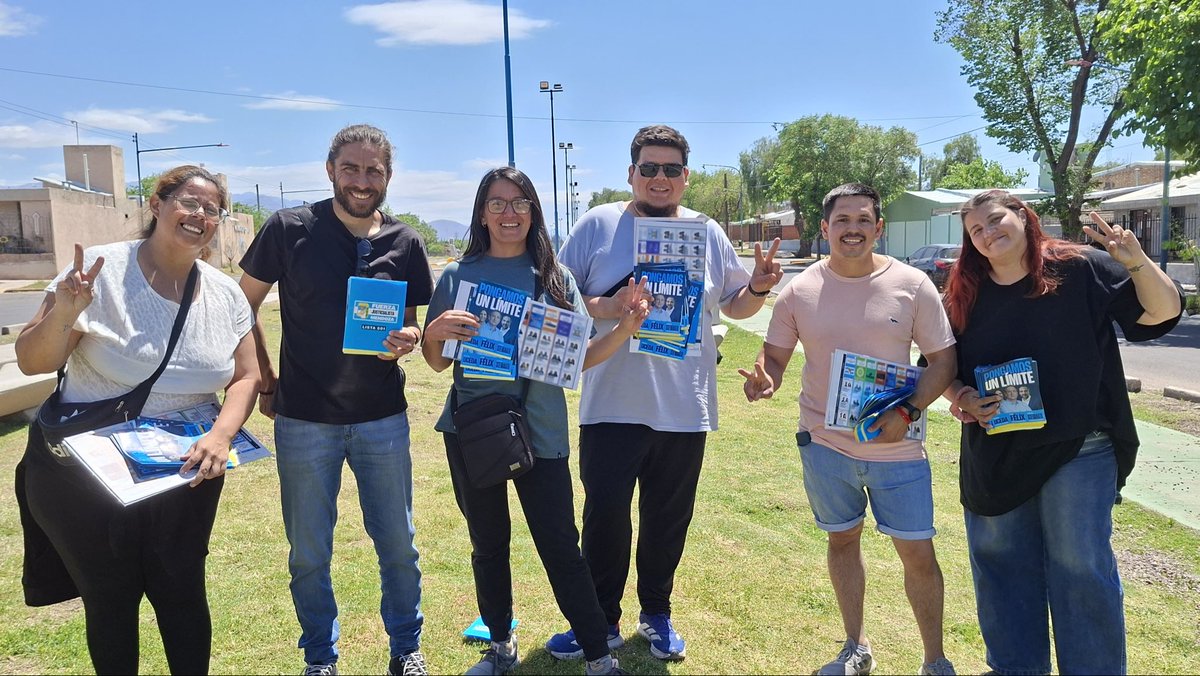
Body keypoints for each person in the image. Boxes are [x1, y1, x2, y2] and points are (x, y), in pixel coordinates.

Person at [547, 124, 782, 662]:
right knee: (604, 516)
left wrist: (761, 287)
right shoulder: (600, 223)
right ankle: (601, 620)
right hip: (611, 401)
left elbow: (735, 305)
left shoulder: (707, 230)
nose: (659, 178)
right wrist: (610, 308)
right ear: (630, 174)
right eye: (648, 168)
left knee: (667, 518)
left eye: (671, 169)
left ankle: (656, 613)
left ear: (686, 177)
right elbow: (559, 296)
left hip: (683, 405)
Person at [14, 165, 258, 674]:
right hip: (88, 473)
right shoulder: (99, 275)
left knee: (182, 590)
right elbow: (33, 361)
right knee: (110, 596)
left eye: (212, 209)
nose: (200, 216)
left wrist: (221, 434)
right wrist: (65, 311)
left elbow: (246, 377)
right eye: (188, 202)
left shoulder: (225, 293)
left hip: (187, 471)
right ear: (157, 204)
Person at [940, 190, 1182, 675]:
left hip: (1080, 447)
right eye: (976, 231)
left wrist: (1138, 264)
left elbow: (1161, 313)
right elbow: (940, 364)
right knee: (1000, 568)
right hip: (997, 454)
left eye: (995, 220)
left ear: (1023, 216)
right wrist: (962, 398)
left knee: (1080, 571)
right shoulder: (964, 290)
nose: (989, 234)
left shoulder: (1081, 267)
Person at [423, 167, 645, 676]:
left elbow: (580, 357)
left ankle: (597, 656)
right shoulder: (459, 276)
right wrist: (433, 333)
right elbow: (438, 362)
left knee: (561, 548)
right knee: (488, 544)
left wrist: (627, 328)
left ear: (533, 213)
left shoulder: (555, 278)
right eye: (498, 203)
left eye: (520, 203)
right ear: (482, 213)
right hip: (471, 431)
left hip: (540, 433)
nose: (509, 213)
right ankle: (501, 647)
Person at [238, 124, 434, 676]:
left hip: (381, 419)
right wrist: (266, 377)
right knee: (309, 552)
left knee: (399, 544)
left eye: (374, 171)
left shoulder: (406, 240)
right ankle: (320, 657)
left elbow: (412, 325)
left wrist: (408, 341)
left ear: (388, 176)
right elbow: (241, 306)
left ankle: (406, 648)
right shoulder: (288, 228)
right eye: (351, 168)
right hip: (304, 419)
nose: (362, 180)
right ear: (330, 170)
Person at [739, 183, 958, 676]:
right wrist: (764, 379)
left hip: (897, 448)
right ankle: (855, 647)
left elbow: (943, 361)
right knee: (842, 542)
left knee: (918, 555)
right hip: (825, 447)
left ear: (878, 228)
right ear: (825, 228)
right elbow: (774, 356)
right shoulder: (799, 290)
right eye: (842, 220)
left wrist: (907, 414)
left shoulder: (913, 285)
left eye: (863, 220)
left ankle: (935, 661)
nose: (853, 229)